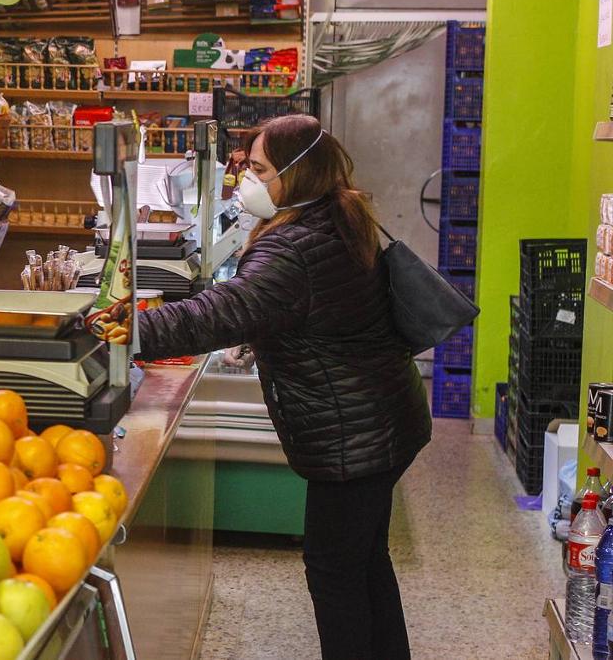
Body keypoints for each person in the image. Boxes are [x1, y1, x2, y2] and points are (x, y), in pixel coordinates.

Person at [136, 114, 431, 660]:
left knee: (335, 575)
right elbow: (307, 313)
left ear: (296, 174)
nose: (246, 179)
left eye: (258, 168)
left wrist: (129, 330)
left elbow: (220, 311)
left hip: (353, 437)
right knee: (364, 562)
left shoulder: (292, 246)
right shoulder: (335, 216)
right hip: (384, 418)